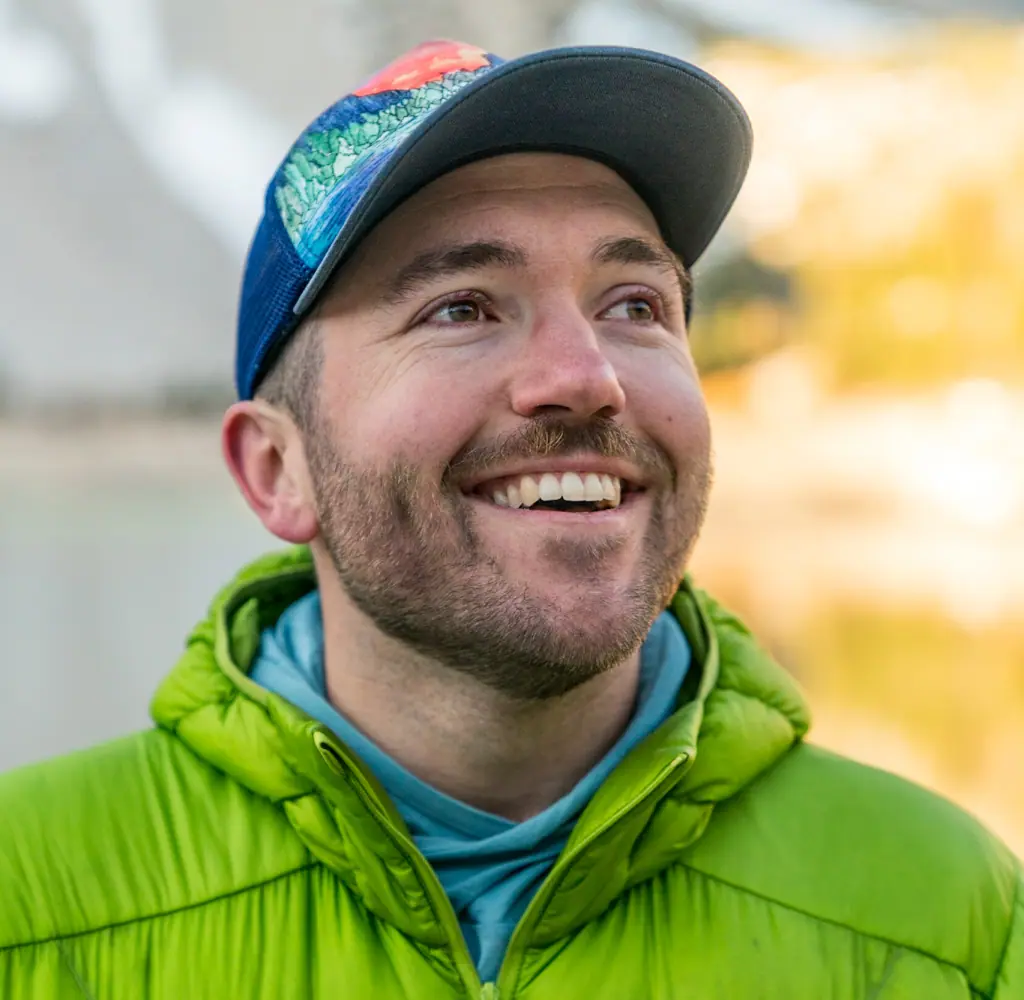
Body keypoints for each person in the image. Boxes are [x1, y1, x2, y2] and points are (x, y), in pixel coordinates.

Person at [0, 38, 1020, 999]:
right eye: (461, 308)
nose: (586, 378)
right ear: (277, 467)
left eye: (634, 305)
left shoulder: (945, 920)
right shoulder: (29, 906)